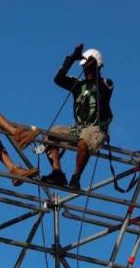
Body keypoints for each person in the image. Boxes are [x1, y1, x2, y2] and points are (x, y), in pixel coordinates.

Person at [41, 44, 114, 190]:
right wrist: (72, 58)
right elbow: (58, 79)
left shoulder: (106, 83)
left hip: (97, 129)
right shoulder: (79, 84)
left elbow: (104, 90)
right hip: (79, 129)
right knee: (50, 134)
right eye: (85, 67)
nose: (86, 70)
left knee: (83, 141)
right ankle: (58, 173)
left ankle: (76, 177)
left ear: (98, 67)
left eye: (89, 67)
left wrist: (94, 66)